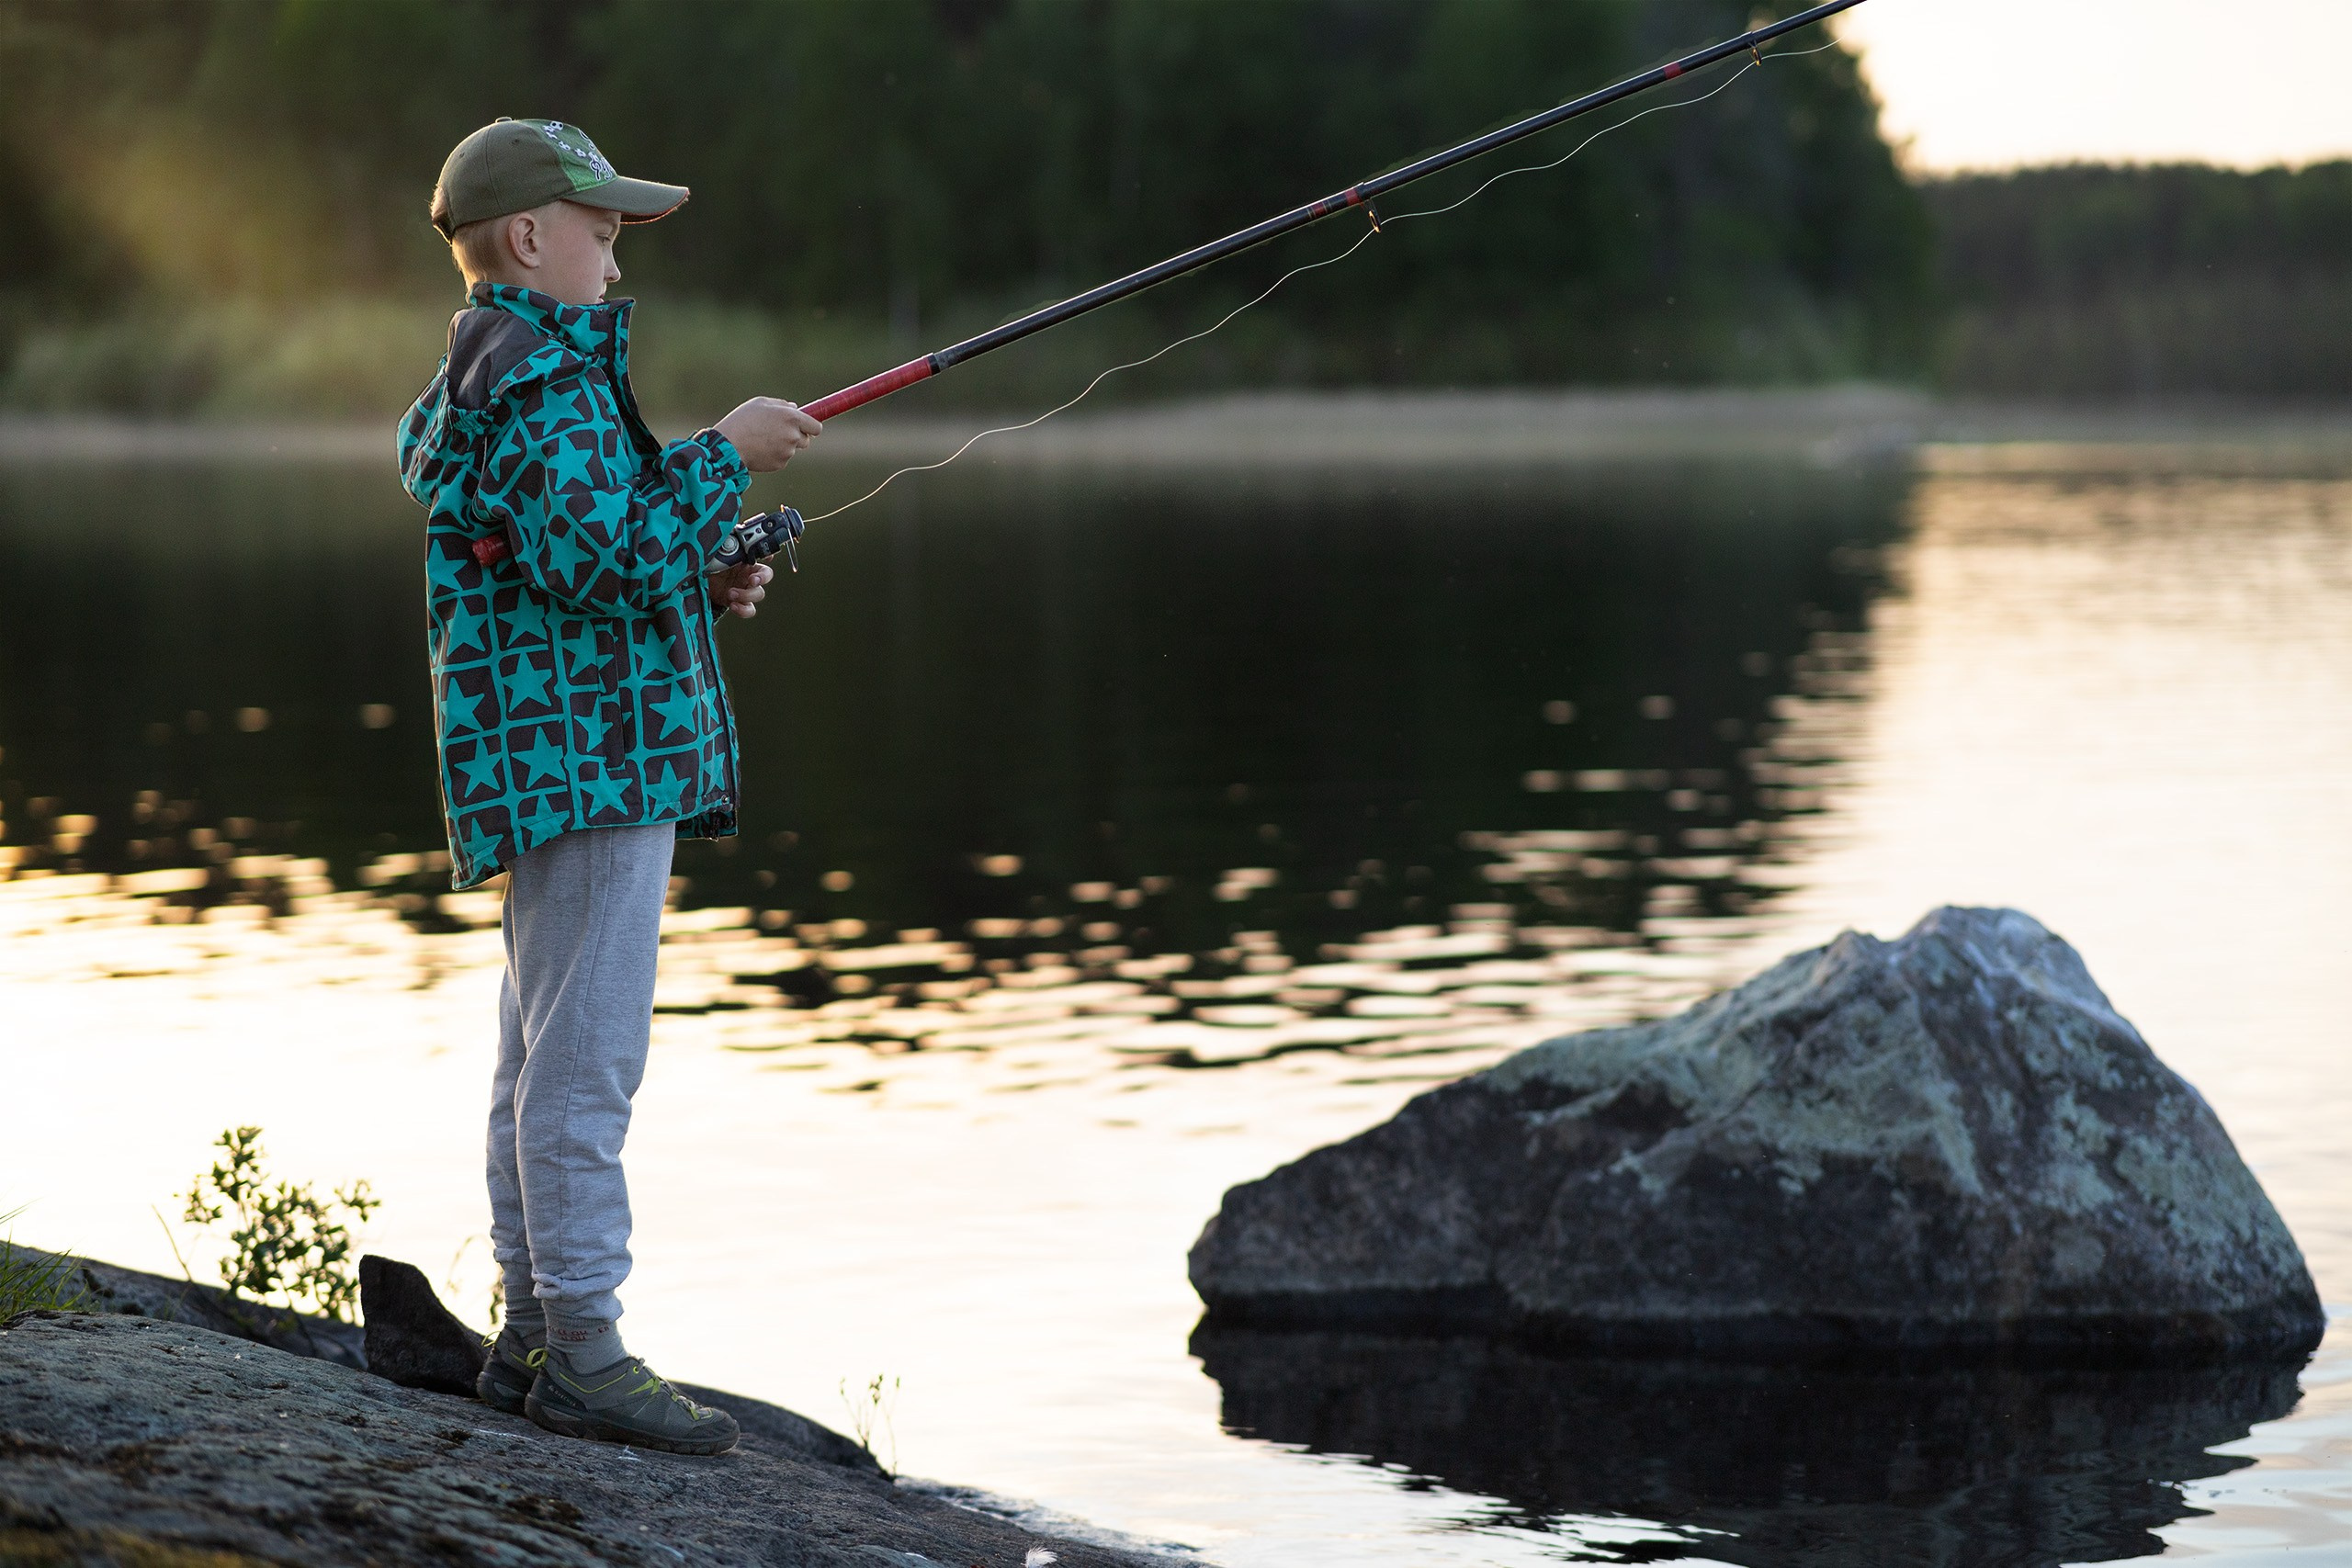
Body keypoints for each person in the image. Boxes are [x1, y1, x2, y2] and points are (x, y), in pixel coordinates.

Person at [396, 118, 820, 1456]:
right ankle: (583, 1347)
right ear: (530, 237)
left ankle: (533, 1333)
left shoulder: (499, 373)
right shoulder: (544, 382)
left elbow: (583, 563)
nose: (618, 254)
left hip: (563, 759)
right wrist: (725, 453)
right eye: (602, 229)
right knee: (584, 1066)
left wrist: (702, 566)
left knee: (538, 1056)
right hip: (591, 769)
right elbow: (603, 553)